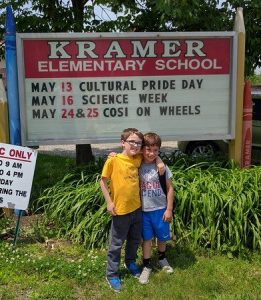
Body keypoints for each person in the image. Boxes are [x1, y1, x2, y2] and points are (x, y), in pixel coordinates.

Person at [100, 128, 164, 292]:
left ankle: (130, 262)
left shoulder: (137, 159)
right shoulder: (113, 160)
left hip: (137, 209)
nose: (136, 145)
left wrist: (159, 162)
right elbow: (103, 181)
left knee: (135, 240)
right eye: (132, 141)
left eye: (138, 142)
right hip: (120, 210)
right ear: (123, 142)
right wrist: (109, 202)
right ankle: (112, 274)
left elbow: (153, 154)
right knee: (116, 244)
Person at [138, 132, 174, 285]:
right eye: (148, 149)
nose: (152, 153)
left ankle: (162, 258)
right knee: (146, 239)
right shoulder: (137, 165)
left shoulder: (162, 167)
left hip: (160, 209)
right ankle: (146, 265)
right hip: (144, 210)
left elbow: (170, 188)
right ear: (141, 149)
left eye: (155, 151)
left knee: (162, 237)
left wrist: (169, 209)